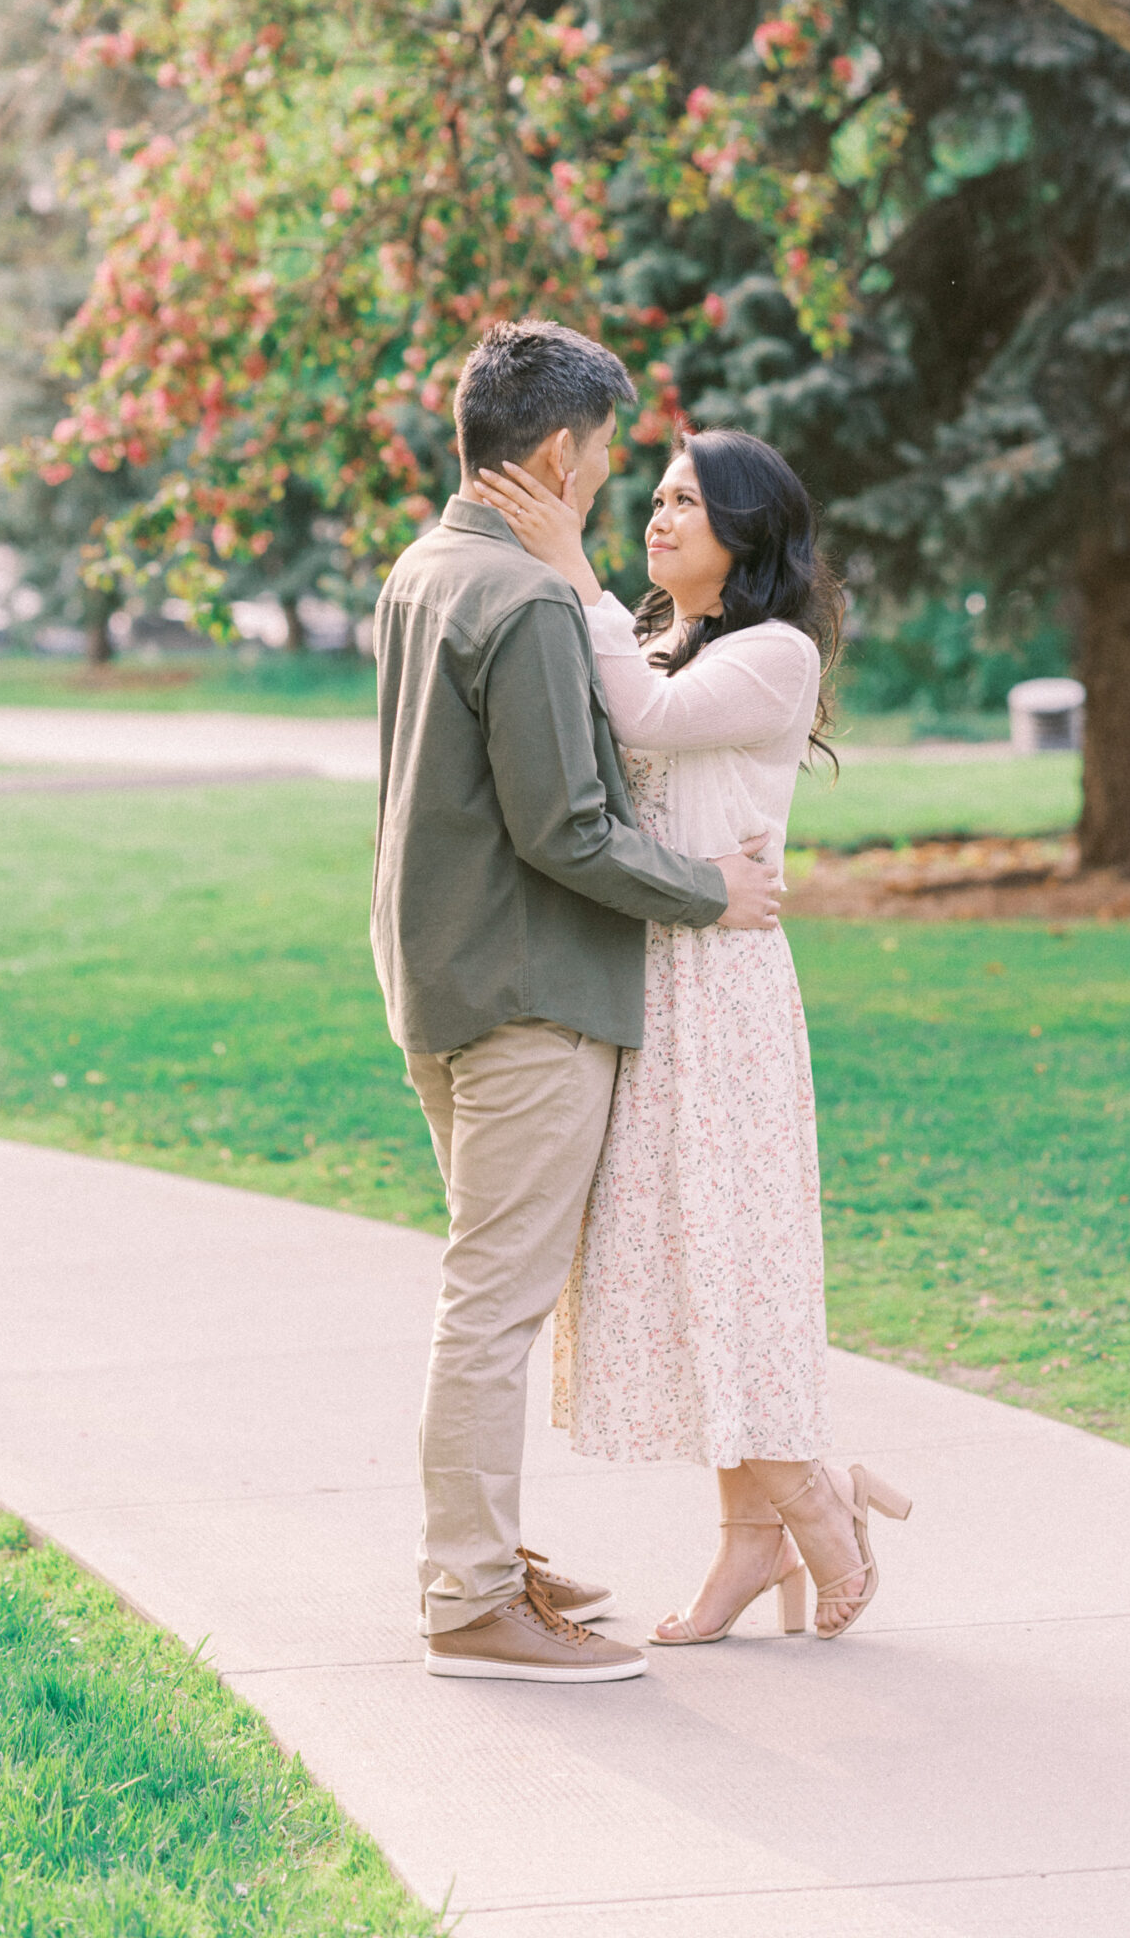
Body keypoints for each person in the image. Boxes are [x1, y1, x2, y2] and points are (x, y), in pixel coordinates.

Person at [370, 319, 784, 1685]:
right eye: (609, 459)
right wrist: (706, 893)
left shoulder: (423, 570)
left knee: (484, 1294)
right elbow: (568, 829)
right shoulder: (533, 601)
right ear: (558, 449)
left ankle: (484, 1556)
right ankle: (470, 1597)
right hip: (527, 992)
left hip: (435, 975)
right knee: (493, 1307)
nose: (612, 483)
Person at [471, 425, 911, 1647]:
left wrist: (571, 564)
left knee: (732, 1263)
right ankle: (758, 1530)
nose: (658, 517)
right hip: (647, 974)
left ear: (747, 532)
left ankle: (817, 1502)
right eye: (655, 497)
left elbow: (649, 721)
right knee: (681, 1269)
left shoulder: (774, 655)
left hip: (721, 993)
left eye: (687, 504)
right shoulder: (662, 634)